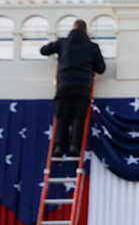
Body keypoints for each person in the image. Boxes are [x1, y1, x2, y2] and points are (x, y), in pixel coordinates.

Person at [40, 19, 106, 157]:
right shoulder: (92, 47)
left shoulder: (63, 43)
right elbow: (101, 68)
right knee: (78, 116)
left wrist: (56, 45)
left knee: (62, 115)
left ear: (73, 29)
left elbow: (43, 51)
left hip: (64, 84)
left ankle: (58, 147)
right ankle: (75, 146)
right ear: (86, 31)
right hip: (83, 86)